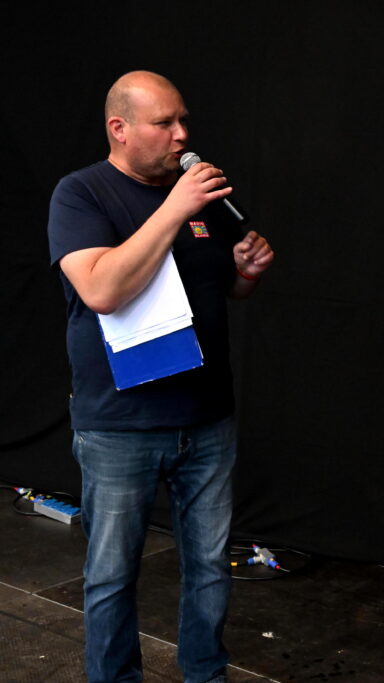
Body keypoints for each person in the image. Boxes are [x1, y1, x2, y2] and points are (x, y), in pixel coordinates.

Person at [47, 71, 274, 683]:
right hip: (120, 424)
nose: (182, 135)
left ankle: (205, 673)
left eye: (183, 121)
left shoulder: (198, 196)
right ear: (119, 129)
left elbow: (220, 289)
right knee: (112, 574)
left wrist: (246, 272)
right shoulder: (81, 195)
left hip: (207, 419)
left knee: (209, 567)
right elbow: (101, 290)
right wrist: (175, 209)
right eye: (164, 123)